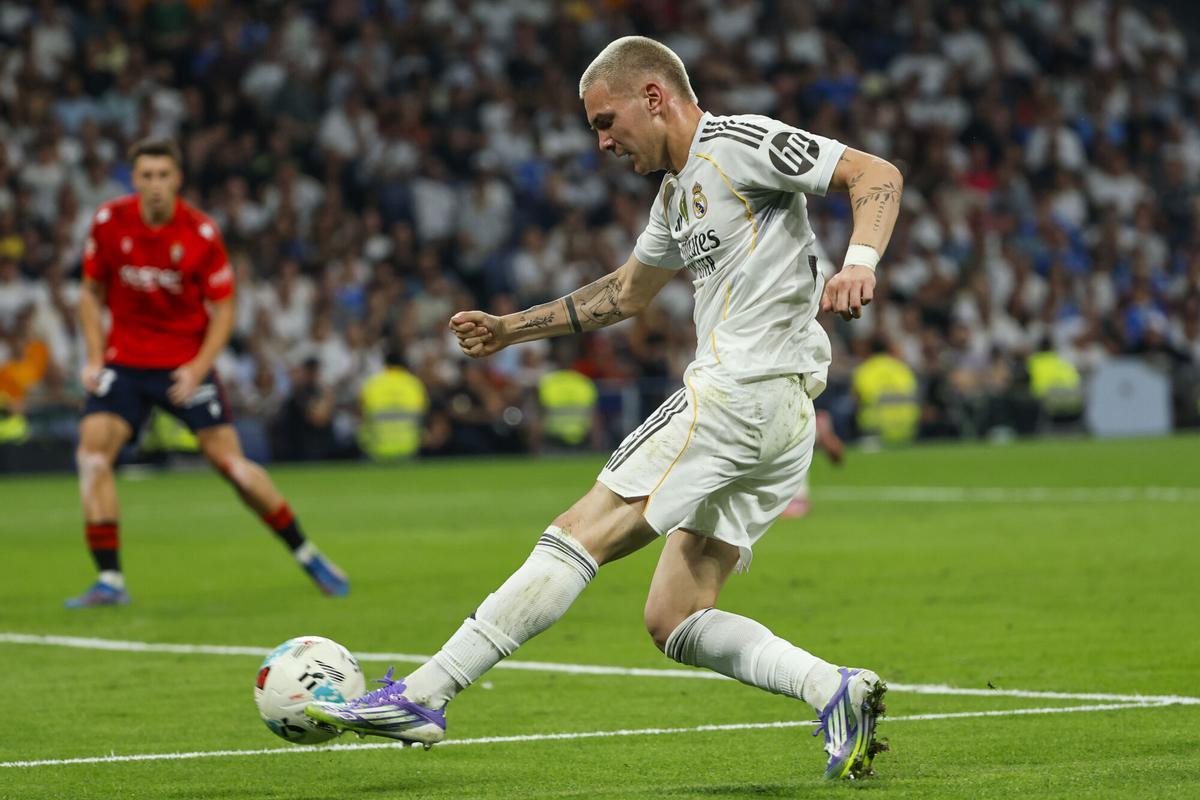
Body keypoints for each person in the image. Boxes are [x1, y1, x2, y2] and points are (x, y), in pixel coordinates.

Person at [308, 36, 901, 781]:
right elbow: (624, 294)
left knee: (579, 531)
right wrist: (509, 328)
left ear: (653, 96)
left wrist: (859, 264)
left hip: (738, 393)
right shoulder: (674, 194)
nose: (602, 141)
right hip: (779, 417)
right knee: (674, 618)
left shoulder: (739, 143)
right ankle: (834, 690)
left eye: (605, 120)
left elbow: (873, 174)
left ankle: (426, 693)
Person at [67, 137, 349, 608]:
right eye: (146, 176)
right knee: (93, 457)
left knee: (234, 468)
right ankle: (110, 582)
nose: (155, 185)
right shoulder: (109, 222)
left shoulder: (199, 233)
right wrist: (95, 358)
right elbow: (89, 292)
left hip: (183, 364)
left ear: (177, 179)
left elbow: (223, 310)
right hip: (125, 362)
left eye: (163, 175)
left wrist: (197, 369)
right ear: (134, 180)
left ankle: (308, 554)